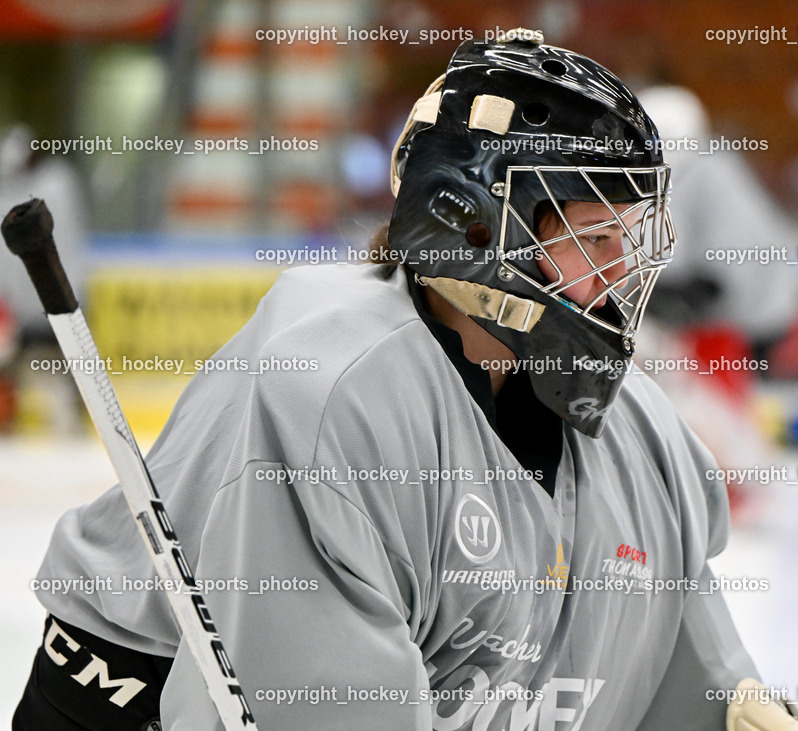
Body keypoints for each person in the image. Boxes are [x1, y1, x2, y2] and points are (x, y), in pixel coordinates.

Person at [14, 30, 758, 730]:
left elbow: (680, 677)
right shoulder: (333, 385)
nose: (623, 270)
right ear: (472, 222)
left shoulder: (636, 428)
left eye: (628, 238)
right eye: (596, 239)